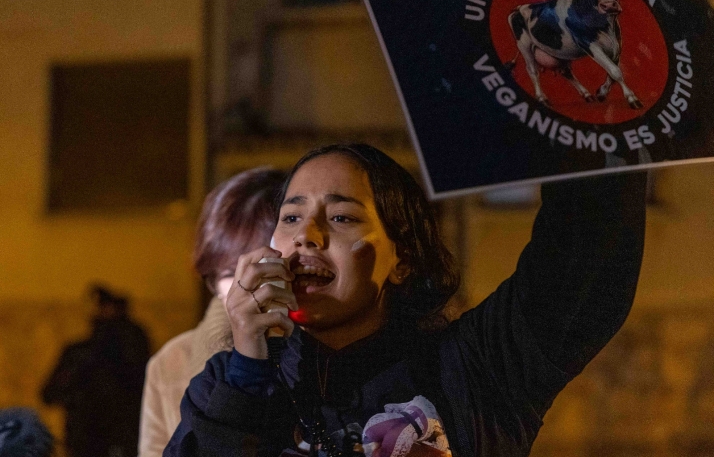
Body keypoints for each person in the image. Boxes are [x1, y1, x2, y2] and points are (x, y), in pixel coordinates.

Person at [165, 143, 647, 456]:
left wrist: (583, 121)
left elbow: (585, 252)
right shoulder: (223, 390)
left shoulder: (476, 369)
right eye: (291, 218)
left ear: (404, 258)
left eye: (342, 219)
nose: (306, 237)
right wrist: (249, 368)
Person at [138, 168, 286, 457]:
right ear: (212, 281)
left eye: (263, 265)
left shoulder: (326, 354)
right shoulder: (172, 363)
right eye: (230, 272)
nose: (248, 284)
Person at [42, 285, 150, 457]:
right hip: (94, 440)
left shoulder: (128, 347)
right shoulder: (81, 354)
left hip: (112, 439)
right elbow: (50, 393)